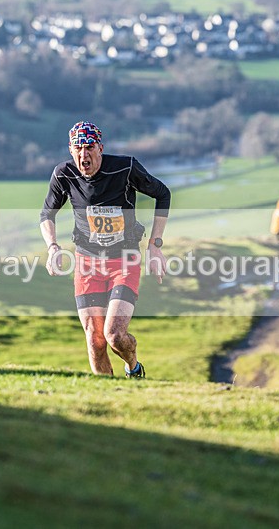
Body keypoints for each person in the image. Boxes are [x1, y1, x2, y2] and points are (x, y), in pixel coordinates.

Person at [40, 121, 170, 378]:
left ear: (100, 148)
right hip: (87, 263)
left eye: (89, 147)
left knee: (114, 335)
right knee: (94, 340)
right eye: (77, 149)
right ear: (70, 150)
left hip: (124, 261)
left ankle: (133, 368)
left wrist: (155, 245)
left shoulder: (125, 168)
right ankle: (109, 391)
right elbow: (47, 214)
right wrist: (52, 247)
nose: (83, 155)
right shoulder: (64, 174)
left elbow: (162, 193)